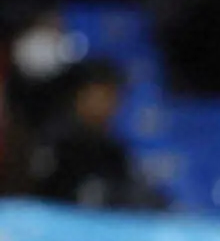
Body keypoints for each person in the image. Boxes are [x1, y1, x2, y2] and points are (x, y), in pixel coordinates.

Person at [29, 58, 166, 208]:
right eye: (101, 94)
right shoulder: (55, 143)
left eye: (113, 95)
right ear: (79, 95)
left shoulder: (112, 151)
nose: (108, 104)